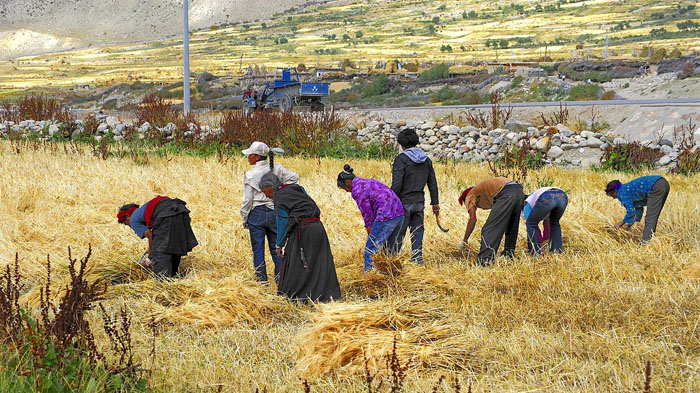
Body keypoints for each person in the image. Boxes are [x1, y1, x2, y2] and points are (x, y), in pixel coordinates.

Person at [259, 172, 341, 302]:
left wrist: (279, 244)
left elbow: (283, 222)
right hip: (318, 227)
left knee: (298, 263)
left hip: (303, 231)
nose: (266, 196)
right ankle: (326, 295)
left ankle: (299, 296)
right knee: (319, 261)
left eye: (265, 192)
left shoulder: (279, 198)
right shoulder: (297, 188)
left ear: (270, 186)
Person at [240, 141, 299, 283]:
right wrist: (281, 191)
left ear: (256, 156)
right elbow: (294, 178)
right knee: (277, 248)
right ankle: (281, 281)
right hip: (275, 212)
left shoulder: (250, 174)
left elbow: (247, 200)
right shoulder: (277, 169)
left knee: (258, 250)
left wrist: (244, 217)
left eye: (250, 155)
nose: (248, 158)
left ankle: (261, 282)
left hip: (256, 215)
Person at [337, 164, 405, 272]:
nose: (346, 191)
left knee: (370, 249)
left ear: (348, 182)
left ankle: (370, 276)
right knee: (389, 250)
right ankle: (390, 274)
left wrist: (369, 230)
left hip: (386, 216)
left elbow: (367, 213)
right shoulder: (368, 182)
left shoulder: (357, 190)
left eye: (345, 188)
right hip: (399, 213)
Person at [117, 196, 198, 279]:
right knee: (174, 246)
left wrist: (150, 257)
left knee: (159, 251)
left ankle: (163, 282)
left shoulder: (133, 219)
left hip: (166, 215)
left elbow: (151, 236)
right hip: (181, 211)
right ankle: (173, 276)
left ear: (127, 215)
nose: (130, 226)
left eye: (126, 223)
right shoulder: (142, 211)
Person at [390, 128, 440, 264]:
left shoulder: (402, 159)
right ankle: (417, 259)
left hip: (403, 202)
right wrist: (435, 203)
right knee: (417, 231)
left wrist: (389, 200)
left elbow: (397, 184)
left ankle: (393, 259)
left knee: (399, 232)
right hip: (419, 202)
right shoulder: (426, 160)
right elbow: (433, 184)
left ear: (402, 145)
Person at [458, 177, 524, 266]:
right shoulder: (483, 190)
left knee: (489, 229)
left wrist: (465, 240)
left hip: (506, 193)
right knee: (511, 225)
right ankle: (508, 256)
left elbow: (472, 219)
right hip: (518, 190)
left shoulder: (469, 195)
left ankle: (484, 261)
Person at [605, 175, 670, 243]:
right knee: (653, 216)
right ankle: (651, 240)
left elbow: (631, 211)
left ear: (615, 191)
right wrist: (630, 223)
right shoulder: (626, 188)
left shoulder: (621, 193)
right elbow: (638, 208)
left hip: (655, 187)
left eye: (610, 195)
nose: (612, 197)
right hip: (663, 183)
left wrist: (620, 224)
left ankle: (646, 243)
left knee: (650, 217)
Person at [522, 187, 568, 256]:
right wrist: (546, 240)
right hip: (562, 196)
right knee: (554, 222)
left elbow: (534, 226)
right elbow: (547, 223)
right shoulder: (533, 198)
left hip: (547, 197)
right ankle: (556, 251)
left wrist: (540, 244)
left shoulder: (526, 205)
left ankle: (535, 253)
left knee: (531, 224)